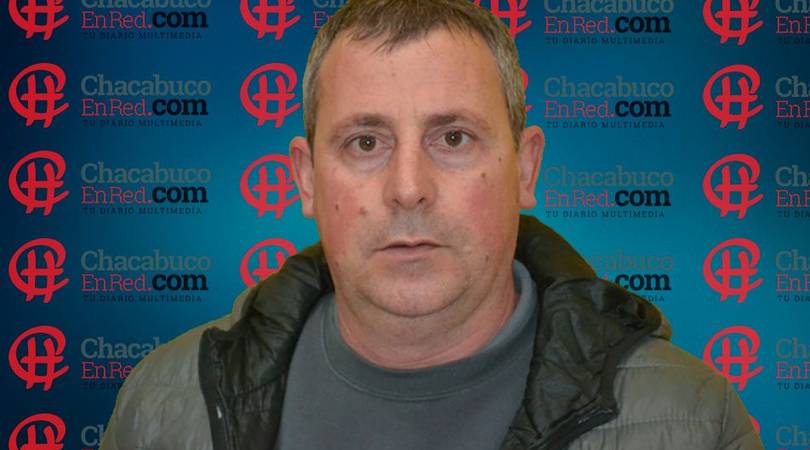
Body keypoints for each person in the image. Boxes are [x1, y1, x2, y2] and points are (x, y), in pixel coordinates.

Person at [100, 1, 764, 449]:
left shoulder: (690, 421)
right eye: (365, 142)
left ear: (525, 168)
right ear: (305, 178)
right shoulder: (166, 406)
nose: (408, 188)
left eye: (452, 137)